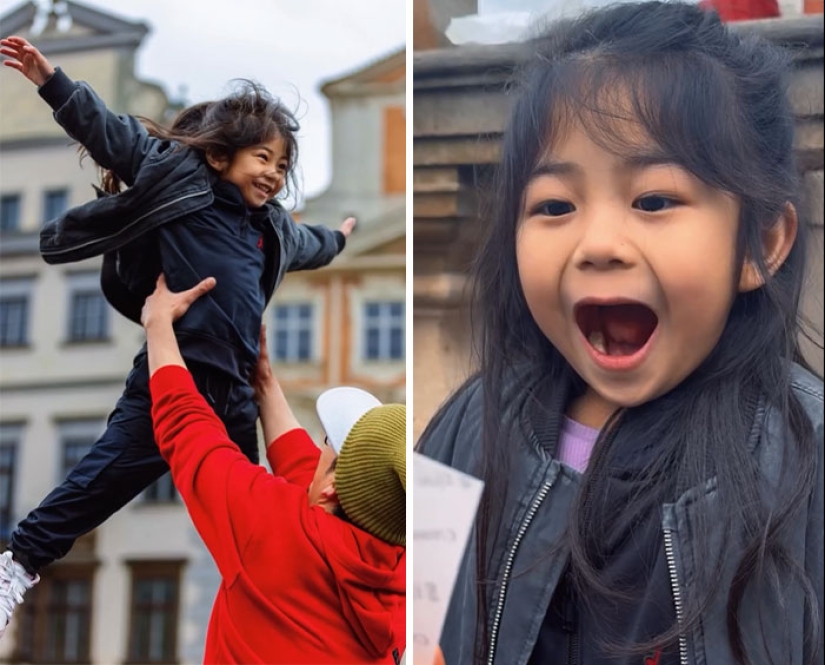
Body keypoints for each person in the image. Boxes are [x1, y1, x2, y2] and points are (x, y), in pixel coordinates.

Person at [416, 2, 823, 665]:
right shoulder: (470, 422)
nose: (596, 244)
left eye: (653, 200)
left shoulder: (805, 462)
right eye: (553, 206)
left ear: (759, 242)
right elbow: (412, 603)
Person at [0, 36, 355, 636]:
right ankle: (19, 562)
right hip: (175, 377)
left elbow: (312, 243)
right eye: (263, 158)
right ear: (221, 157)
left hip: (235, 397)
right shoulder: (180, 180)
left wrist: (341, 238)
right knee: (103, 477)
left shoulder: (273, 231)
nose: (273, 174)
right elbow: (112, 135)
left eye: (283, 166)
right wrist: (51, 80)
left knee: (249, 523)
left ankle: (266, 622)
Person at [141, 274, 406, 664]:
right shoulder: (397, 572)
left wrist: (158, 324)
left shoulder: (270, 527)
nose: (317, 448)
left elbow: (187, 428)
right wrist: (265, 384)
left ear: (333, 488)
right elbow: (305, 472)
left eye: (328, 445)